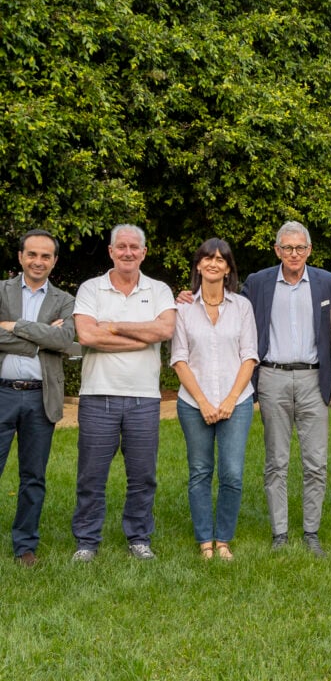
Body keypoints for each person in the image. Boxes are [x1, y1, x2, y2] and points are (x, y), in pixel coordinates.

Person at [241, 221, 331, 558]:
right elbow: (231, 311)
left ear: (309, 250)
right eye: (287, 248)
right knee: (276, 460)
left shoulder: (327, 282)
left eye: (300, 248)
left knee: (316, 461)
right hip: (272, 377)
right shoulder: (257, 283)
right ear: (277, 251)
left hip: (315, 379)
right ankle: (280, 532)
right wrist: (192, 295)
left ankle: (311, 531)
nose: (294, 254)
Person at [71, 225, 176, 562]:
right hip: (97, 394)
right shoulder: (91, 289)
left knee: (143, 475)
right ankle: (87, 542)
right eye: (121, 247)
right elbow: (87, 336)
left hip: (144, 398)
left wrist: (113, 326)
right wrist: (142, 337)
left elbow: (165, 330)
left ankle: (139, 538)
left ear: (144, 252)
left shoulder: (158, 290)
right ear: (111, 251)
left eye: (134, 247)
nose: (128, 252)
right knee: (91, 474)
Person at [171, 238, 258, 561]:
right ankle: (204, 540)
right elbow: (179, 358)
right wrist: (205, 402)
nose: (214, 263)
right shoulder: (182, 308)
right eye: (208, 258)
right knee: (200, 471)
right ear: (198, 265)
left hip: (237, 401)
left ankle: (224, 539)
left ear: (228, 268)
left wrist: (231, 399)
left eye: (221, 259)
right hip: (194, 404)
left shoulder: (242, 307)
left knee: (232, 473)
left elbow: (249, 355)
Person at [0, 229, 74, 566]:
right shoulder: (0, 291)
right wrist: (42, 337)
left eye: (46, 256)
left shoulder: (65, 300)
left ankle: (25, 545)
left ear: (54, 261)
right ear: (20, 257)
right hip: (2, 392)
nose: (38, 261)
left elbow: (66, 340)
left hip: (40, 398)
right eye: (32, 254)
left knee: (33, 477)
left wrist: (13, 326)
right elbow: (53, 339)